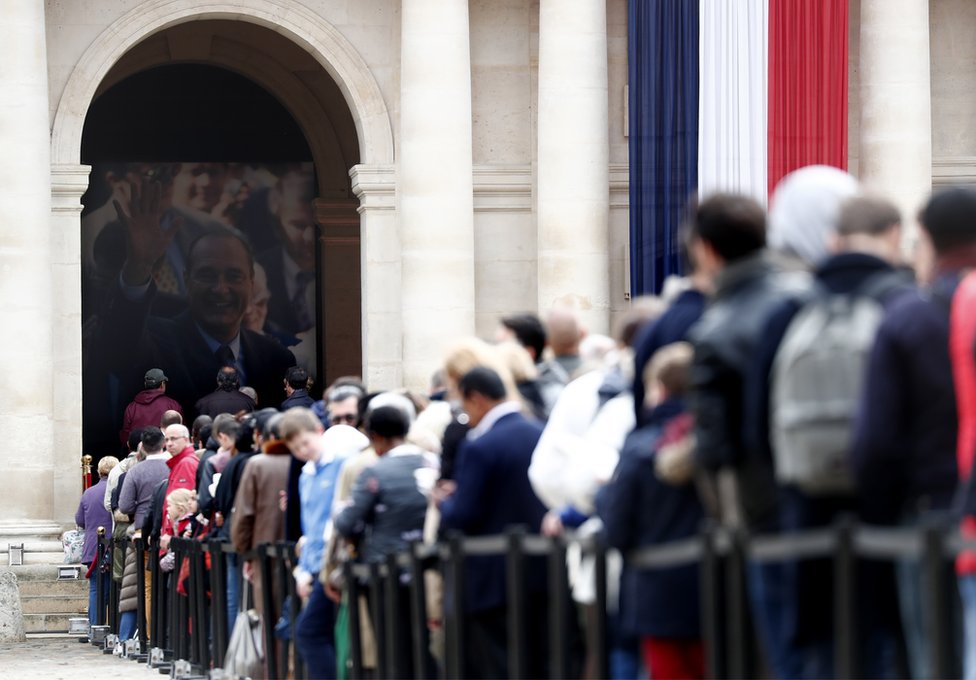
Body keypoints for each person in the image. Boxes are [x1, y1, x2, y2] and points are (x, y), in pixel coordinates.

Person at [745, 192, 911, 678]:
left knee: (821, 650)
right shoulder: (905, 304)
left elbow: (757, 425)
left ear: (834, 241)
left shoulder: (789, 311)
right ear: (895, 236)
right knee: (890, 648)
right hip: (892, 516)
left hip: (807, 512)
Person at [853, 186, 976, 679]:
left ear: (927, 239)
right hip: (954, 510)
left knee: (935, 660)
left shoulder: (908, 317)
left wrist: (883, 511)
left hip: (927, 513)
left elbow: (876, 442)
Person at [687, 192, 810, 679]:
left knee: (781, 654)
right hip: (836, 503)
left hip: (767, 515)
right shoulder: (809, 296)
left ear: (706, 249)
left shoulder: (715, 328)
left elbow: (715, 450)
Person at [93, 178, 296, 419]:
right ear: (187, 281)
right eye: (207, 275)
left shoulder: (276, 358)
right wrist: (139, 266)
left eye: (234, 276)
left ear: (251, 283)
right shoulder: (155, 343)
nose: (221, 289)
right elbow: (118, 350)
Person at [598, 342, 705, 680]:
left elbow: (617, 528)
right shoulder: (715, 441)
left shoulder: (640, 449)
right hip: (715, 582)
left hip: (657, 587)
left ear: (658, 388)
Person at [438, 367, 550, 680]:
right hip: (541, 570)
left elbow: (462, 515)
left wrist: (444, 503)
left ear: (476, 399)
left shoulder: (481, 446)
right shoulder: (539, 430)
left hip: (491, 579)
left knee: (498, 665)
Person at [335, 405, 439, 678]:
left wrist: (340, 511)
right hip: (428, 566)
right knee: (422, 645)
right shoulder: (432, 462)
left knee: (393, 647)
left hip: (383, 571)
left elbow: (347, 522)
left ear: (376, 436)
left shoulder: (375, 472)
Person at [282, 408, 367, 680]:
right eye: (295, 448)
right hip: (318, 564)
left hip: (335, 561)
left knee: (311, 633)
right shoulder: (306, 475)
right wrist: (304, 570)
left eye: (304, 443)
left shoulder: (342, 464)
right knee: (322, 633)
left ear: (319, 431)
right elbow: (311, 526)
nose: (302, 451)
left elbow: (335, 521)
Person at [76, 456, 119, 627]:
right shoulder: (118, 490)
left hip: (93, 547)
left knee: (96, 589)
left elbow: (80, 520)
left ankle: (95, 627)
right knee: (115, 589)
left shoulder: (89, 492)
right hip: (113, 547)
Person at [119, 368, 183, 446]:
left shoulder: (131, 407)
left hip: (139, 452)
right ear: (162, 384)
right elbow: (182, 432)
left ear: (145, 384)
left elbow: (125, 437)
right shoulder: (173, 405)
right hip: (165, 451)